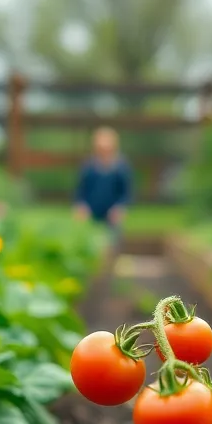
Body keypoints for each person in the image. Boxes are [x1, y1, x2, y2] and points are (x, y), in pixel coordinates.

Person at [73, 127, 132, 303]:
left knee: (112, 242)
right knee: (91, 243)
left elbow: (126, 193)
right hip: (92, 213)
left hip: (111, 214)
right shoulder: (89, 167)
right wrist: (81, 206)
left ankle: (110, 276)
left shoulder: (120, 167)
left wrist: (120, 207)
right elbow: (81, 191)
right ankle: (92, 276)